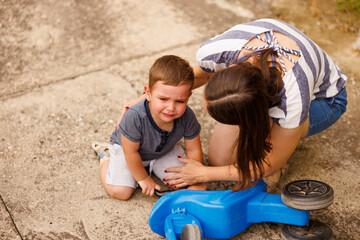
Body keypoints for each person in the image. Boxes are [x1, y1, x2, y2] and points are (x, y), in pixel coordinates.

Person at [162, 18, 348, 191]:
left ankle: (278, 140)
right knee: (219, 160)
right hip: (270, 87)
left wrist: (203, 174)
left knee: (262, 160)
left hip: (325, 100)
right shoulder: (218, 51)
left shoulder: (292, 98)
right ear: (224, 71)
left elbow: (270, 164)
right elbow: (200, 74)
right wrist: (152, 98)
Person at [93, 55, 207, 200]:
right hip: (129, 151)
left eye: (180, 101)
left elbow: (194, 150)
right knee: (120, 192)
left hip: (164, 150)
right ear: (148, 93)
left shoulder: (187, 116)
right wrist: (143, 178)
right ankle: (106, 157)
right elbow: (131, 153)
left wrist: (196, 177)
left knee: (182, 182)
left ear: (188, 96)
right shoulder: (135, 117)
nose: (171, 108)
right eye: (163, 99)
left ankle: (152, 166)